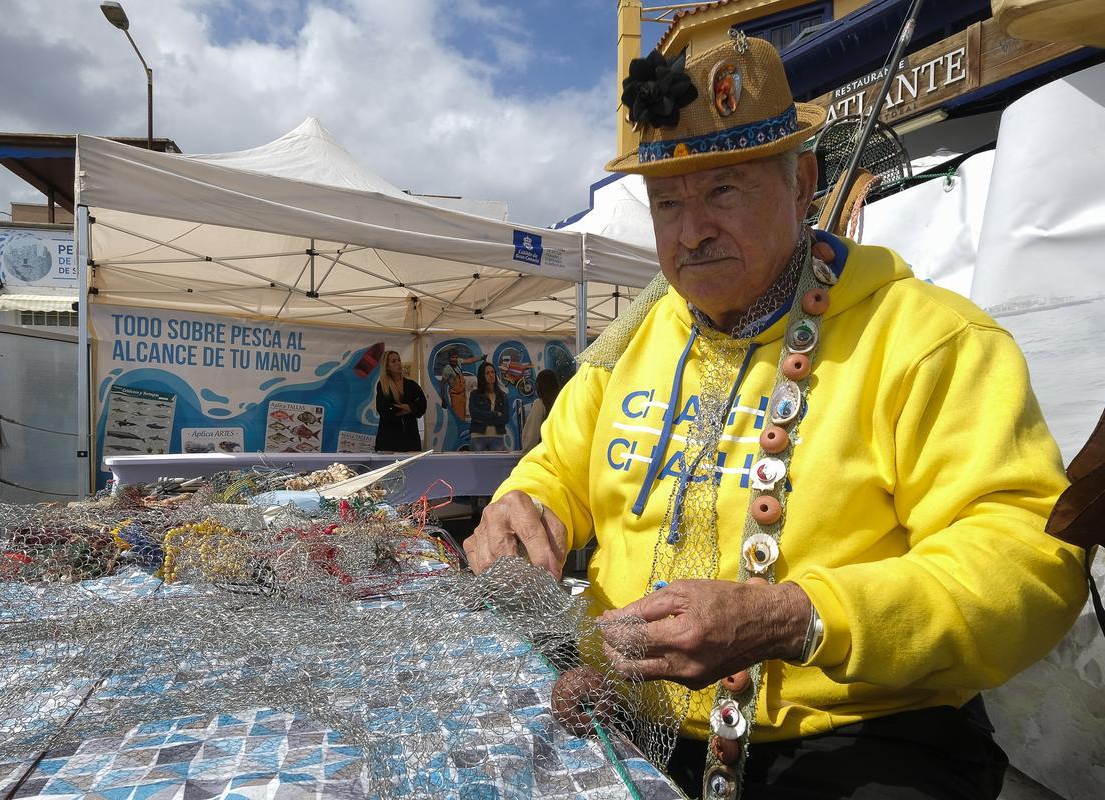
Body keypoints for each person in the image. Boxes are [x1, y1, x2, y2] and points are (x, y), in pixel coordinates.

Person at [464, 35, 1087, 800]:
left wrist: (798, 616)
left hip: (859, 735)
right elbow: (557, 468)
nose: (690, 231)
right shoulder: (632, 338)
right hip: (630, 717)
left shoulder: (932, 339)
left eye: (723, 191)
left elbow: (1031, 563)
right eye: (666, 202)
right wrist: (523, 510)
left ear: (804, 187)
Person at [373, 350, 426, 452]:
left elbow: (422, 405)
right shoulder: (383, 386)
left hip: (410, 437)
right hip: (389, 438)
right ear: (387, 367)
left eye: (399, 360)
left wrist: (409, 408)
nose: (398, 363)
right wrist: (408, 409)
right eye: (394, 361)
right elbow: (384, 409)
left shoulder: (411, 385)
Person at [468, 362, 509, 452]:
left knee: (496, 466)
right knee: (478, 465)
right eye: (487, 373)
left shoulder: (502, 396)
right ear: (482, 376)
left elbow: (505, 418)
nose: (491, 375)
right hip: (478, 436)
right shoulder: (475, 394)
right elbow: (474, 414)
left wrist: (485, 417)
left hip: (497, 436)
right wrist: (495, 414)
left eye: (492, 372)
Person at [521, 369, 561, 453]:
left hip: (545, 452)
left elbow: (532, 433)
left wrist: (526, 453)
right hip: (561, 451)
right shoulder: (562, 402)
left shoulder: (540, 403)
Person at [439, 349, 484, 422]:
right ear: (449, 358)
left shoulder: (459, 361)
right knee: (458, 418)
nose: (454, 359)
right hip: (455, 396)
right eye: (452, 357)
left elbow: (470, 360)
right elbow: (442, 384)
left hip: (463, 394)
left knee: (463, 415)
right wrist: (443, 399)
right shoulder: (447, 369)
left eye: (456, 357)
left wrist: (481, 358)